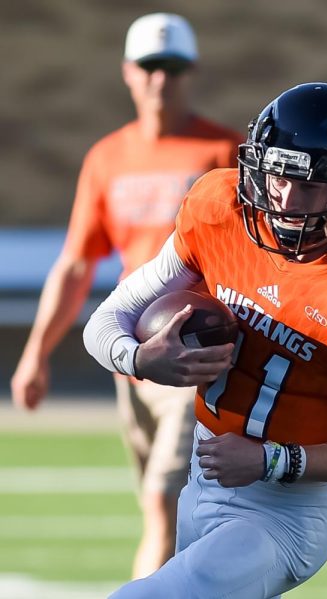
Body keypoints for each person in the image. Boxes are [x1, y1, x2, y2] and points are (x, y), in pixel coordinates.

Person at [83, 82, 327, 597]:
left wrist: (271, 459)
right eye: (278, 175)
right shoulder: (221, 210)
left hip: (285, 513)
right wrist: (142, 360)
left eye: (309, 185)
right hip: (204, 476)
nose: (285, 197)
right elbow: (106, 321)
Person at [10, 13, 244, 578]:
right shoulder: (107, 157)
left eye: (173, 67)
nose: (161, 79)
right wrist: (36, 354)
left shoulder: (223, 151)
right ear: (128, 74)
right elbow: (75, 265)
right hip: (130, 358)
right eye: (150, 67)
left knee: (167, 508)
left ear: (191, 73)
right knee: (160, 509)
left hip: (194, 356)